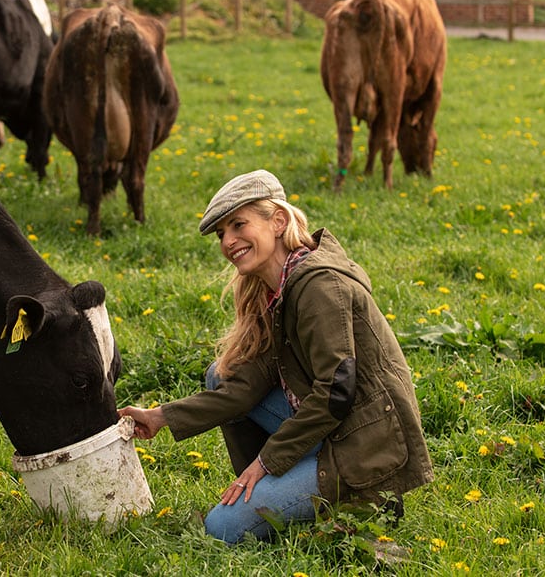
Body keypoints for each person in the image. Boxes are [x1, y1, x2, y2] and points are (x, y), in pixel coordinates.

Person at [119, 169, 432, 544]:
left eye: (239, 225)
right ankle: (277, 486)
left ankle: (367, 499)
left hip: (365, 444)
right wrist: (161, 417)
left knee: (222, 529)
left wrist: (267, 461)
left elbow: (337, 391)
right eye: (222, 233)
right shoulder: (278, 286)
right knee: (222, 375)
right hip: (334, 427)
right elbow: (248, 387)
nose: (229, 241)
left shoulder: (318, 286)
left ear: (278, 221)